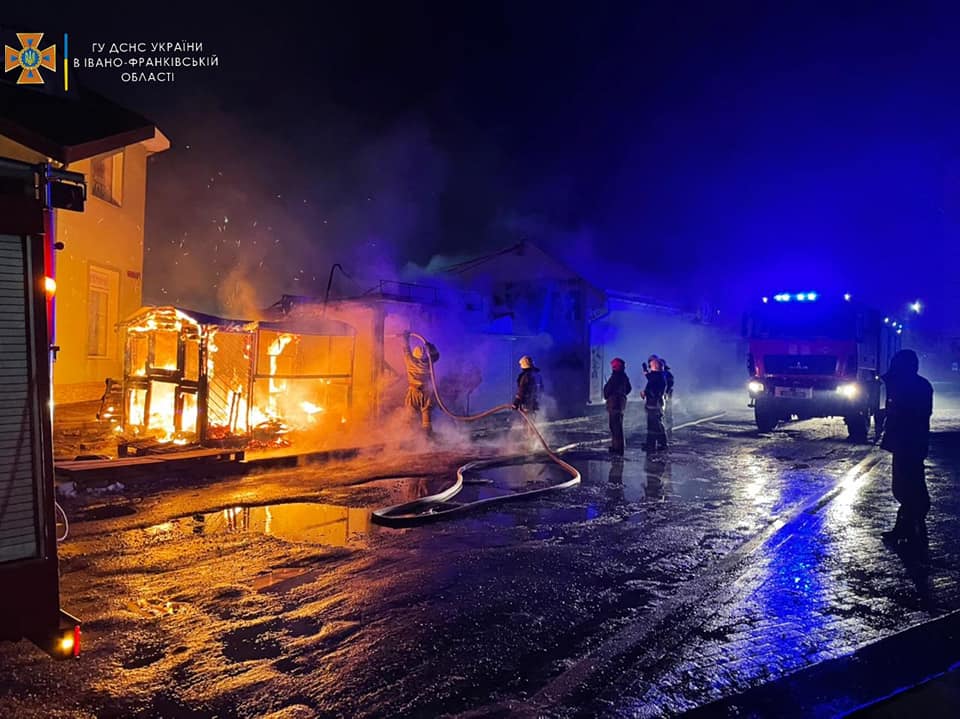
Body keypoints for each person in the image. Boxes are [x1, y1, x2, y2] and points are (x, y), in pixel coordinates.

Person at [879, 349, 934, 547]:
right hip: (913, 443)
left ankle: (911, 526)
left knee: (906, 487)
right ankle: (908, 526)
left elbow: (902, 414)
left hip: (906, 444)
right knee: (909, 485)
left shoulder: (907, 386)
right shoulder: (920, 385)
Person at [402, 330, 440, 435]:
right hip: (427, 392)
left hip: (414, 391)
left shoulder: (410, 362)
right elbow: (436, 356)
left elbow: (406, 350)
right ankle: (428, 435)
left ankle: (410, 436)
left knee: (411, 414)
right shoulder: (429, 364)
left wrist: (405, 338)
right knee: (426, 412)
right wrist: (430, 346)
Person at [603, 357, 632, 454]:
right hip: (621, 403)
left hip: (614, 404)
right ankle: (617, 447)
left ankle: (617, 449)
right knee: (617, 425)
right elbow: (628, 388)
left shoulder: (614, 377)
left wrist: (609, 395)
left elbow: (607, 391)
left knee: (615, 426)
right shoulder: (624, 377)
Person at [641, 356, 668, 451]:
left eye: (651, 365)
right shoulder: (658, 376)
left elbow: (654, 391)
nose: (649, 367)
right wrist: (644, 370)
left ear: (655, 367)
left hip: (655, 405)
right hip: (654, 404)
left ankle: (662, 443)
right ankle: (650, 444)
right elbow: (649, 377)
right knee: (652, 426)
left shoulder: (658, 378)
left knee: (656, 425)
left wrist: (645, 393)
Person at [661, 358, 675, 434]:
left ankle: (668, 431)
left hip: (666, 397)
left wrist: (665, 393)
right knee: (665, 414)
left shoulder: (667, 374)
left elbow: (669, 385)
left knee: (667, 413)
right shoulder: (664, 374)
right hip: (664, 396)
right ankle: (667, 430)